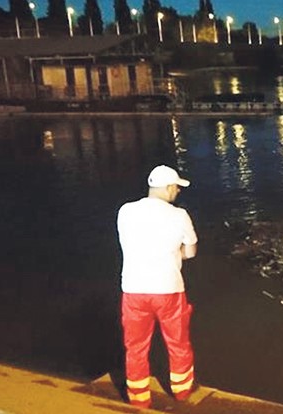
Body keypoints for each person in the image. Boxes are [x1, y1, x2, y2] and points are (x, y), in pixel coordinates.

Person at [116, 165, 198, 408]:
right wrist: (175, 254)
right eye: (177, 188)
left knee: (136, 346)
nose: (177, 193)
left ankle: (139, 398)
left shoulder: (125, 211)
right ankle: (182, 391)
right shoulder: (179, 215)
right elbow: (191, 252)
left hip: (133, 289)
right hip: (168, 290)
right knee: (178, 342)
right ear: (169, 188)